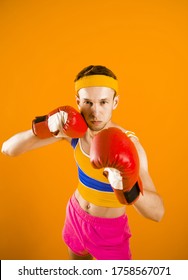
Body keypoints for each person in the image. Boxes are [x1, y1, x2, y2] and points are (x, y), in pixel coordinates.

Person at [1, 65, 165, 260]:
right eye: (88, 102)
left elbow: (158, 213)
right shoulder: (73, 130)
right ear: (78, 102)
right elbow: (8, 149)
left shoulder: (129, 145)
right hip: (75, 216)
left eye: (103, 102)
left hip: (109, 232)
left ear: (115, 102)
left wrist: (127, 186)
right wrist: (47, 123)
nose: (95, 112)